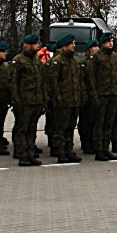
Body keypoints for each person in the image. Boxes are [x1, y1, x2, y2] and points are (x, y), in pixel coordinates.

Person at [49, 34, 84, 164]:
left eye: (74, 44)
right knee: (60, 128)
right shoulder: (58, 61)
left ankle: (69, 150)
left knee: (70, 127)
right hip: (63, 101)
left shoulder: (75, 61)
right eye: (71, 44)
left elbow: (79, 81)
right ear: (64, 46)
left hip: (74, 100)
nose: (74, 46)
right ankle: (60, 152)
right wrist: (57, 99)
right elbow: (53, 83)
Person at [10, 34, 45, 166]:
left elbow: (41, 81)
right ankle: (22, 155)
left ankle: (30, 154)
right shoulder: (18, 61)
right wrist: (16, 101)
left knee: (32, 129)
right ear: (28, 45)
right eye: (35, 44)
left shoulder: (36, 60)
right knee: (21, 129)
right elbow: (13, 83)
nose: (38, 46)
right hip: (24, 102)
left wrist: (43, 99)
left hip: (36, 101)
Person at [88, 32, 117, 161]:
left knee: (109, 124)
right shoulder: (96, 57)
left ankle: (105, 148)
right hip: (101, 94)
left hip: (113, 94)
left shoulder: (115, 57)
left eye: (112, 41)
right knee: (100, 124)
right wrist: (94, 95)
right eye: (108, 41)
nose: (111, 43)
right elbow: (91, 78)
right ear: (103, 43)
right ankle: (99, 150)